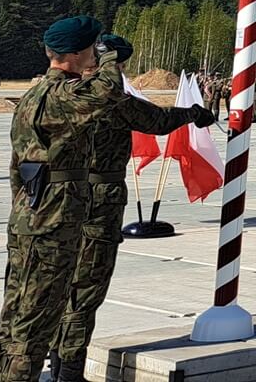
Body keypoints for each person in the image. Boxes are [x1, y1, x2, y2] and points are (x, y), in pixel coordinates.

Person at [50, 35, 214, 381]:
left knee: (59, 283)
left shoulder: (56, 94)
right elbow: (156, 120)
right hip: (99, 199)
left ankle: (55, 359)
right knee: (86, 289)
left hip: (58, 198)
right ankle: (69, 373)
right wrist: (194, 113)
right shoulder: (109, 99)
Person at [0, 16, 128, 382]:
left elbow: (16, 167)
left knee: (16, 315)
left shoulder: (32, 96)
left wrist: (26, 203)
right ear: (80, 52)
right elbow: (109, 92)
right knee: (37, 320)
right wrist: (109, 59)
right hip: (53, 218)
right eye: (93, 48)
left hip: (30, 211)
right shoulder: (66, 95)